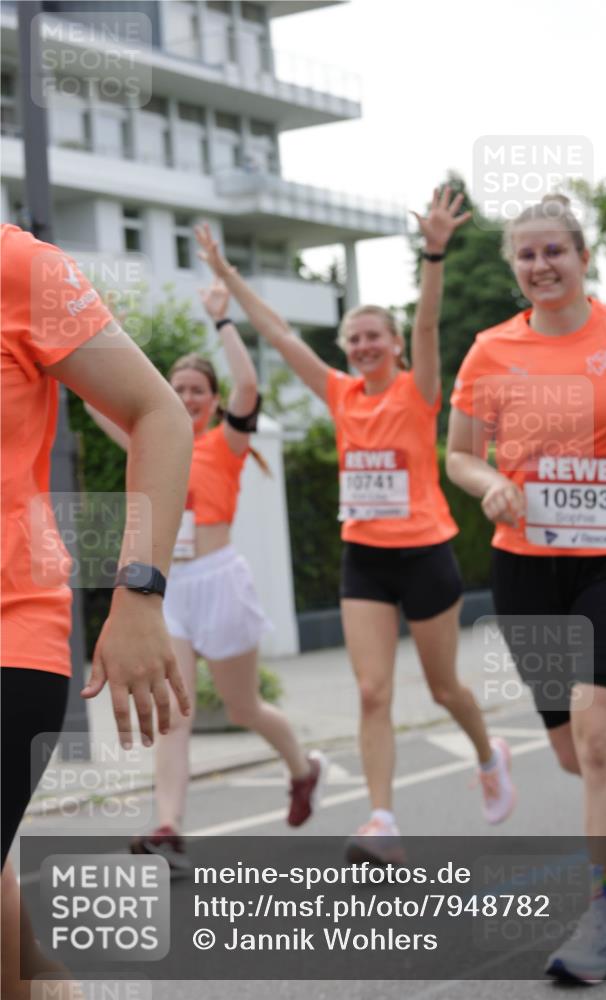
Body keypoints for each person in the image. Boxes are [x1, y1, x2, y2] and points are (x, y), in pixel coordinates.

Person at [194, 188, 517, 866]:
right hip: (363, 558)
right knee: (371, 690)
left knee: (441, 688)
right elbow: (279, 332)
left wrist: (432, 253)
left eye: (376, 336)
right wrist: (224, 275)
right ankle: (381, 820)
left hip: (426, 552)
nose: (365, 345)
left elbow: (429, 326)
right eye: (355, 338)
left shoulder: (417, 391)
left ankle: (489, 754)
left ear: (395, 347)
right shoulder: (339, 392)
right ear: (345, 348)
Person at [446, 194, 606, 983]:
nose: (540, 266)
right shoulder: (488, 351)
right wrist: (486, 485)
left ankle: (603, 920)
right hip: (528, 566)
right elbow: (460, 455)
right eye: (526, 256)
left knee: (600, 736)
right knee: (578, 755)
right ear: (515, 267)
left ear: (581, 255)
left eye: (553, 252)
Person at [1, 224, 192, 996]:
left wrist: (139, 596)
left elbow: (159, 414)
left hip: (8, 636)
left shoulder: (19, 267)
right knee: (18, 962)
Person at [87, 280, 326, 872]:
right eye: (177, 390)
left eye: (196, 391)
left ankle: (302, 768)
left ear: (213, 402)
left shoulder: (228, 442)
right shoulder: (153, 442)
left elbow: (249, 384)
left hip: (221, 580)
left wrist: (221, 320)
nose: (187, 398)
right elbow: (95, 402)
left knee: (244, 708)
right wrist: (100, 334)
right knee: (177, 710)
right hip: (169, 590)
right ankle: (167, 826)